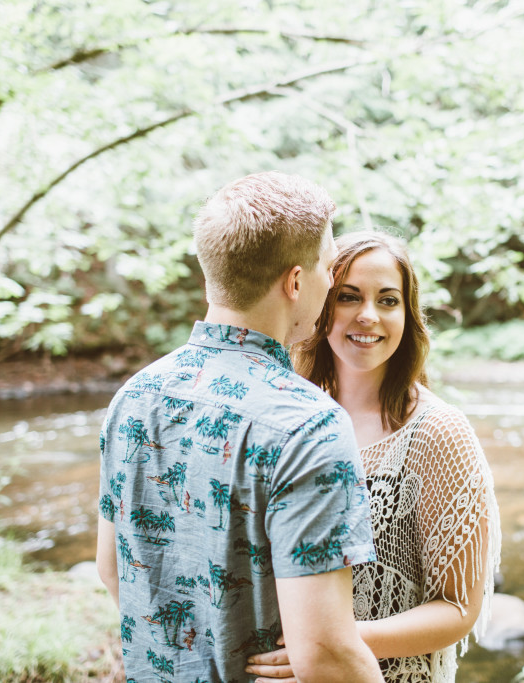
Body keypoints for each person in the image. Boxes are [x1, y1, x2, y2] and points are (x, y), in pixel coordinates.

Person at [95, 172, 385, 683]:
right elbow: (325, 653)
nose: (330, 280)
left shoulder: (133, 397)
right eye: (327, 266)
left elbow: (114, 569)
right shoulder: (308, 425)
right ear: (295, 282)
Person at [245, 231, 501, 683]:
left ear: (408, 315)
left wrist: (337, 643)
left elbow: (459, 607)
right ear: (322, 305)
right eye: (348, 297)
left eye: (388, 300)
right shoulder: (286, 416)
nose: (368, 315)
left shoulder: (437, 433)